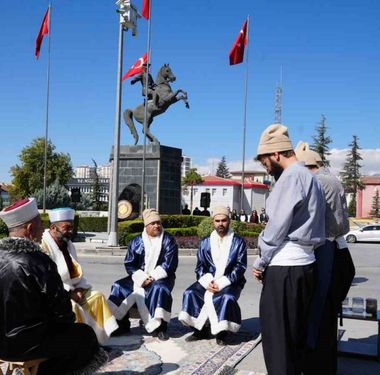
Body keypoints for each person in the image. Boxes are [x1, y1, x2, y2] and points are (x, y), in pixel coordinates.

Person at [0, 198, 107, 375]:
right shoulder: (39, 262)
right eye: (40, 224)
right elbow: (63, 314)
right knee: (85, 336)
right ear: (30, 229)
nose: (43, 229)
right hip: (24, 345)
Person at [252, 124, 326, 375]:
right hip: (305, 265)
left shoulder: (291, 177)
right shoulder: (310, 177)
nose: (265, 168)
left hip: (285, 267)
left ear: (275, 154)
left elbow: (277, 226)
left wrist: (261, 261)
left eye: (265, 163)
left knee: (278, 343)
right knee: (295, 339)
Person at [295, 142, 353, 375]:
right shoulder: (332, 179)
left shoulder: (318, 181)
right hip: (334, 247)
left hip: (323, 247)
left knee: (315, 308)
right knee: (325, 312)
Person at [40, 207, 118, 345]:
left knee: (98, 297)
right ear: (53, 227)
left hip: (74, 290)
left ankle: (98, 341)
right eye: (67, 228)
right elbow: (48, 279)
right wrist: (69, 293)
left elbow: (75, 273)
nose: (70, 231)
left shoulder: (68, 244)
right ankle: (81, 345)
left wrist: (80, 288)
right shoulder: (43, 246)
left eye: (72, 227)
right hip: (56, 296)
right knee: (73, 308)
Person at [179, 206, 248, 346]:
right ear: (213, 222)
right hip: (209, 281)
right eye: (217, 221)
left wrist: (222, 282)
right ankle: (200, 330)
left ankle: (222, 332)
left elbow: (240, 267)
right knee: (190, 293)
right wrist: (208, 282)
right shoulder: (205, 242)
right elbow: (200, 267)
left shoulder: (238, 242)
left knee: (226, 297)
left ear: (229, 221)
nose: (220, 223)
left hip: (231, 281)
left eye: (223, 220)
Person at [108, 208, 179, 340]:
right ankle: (121, 324)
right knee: (118, 286)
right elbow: (129, 263)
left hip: (161, 277)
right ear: (146, 226)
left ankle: (160, 327)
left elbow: (169, 264)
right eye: (153, 223)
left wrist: (152, 277)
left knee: (159, 289)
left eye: (158, 223)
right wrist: (141, 278)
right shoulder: (136, 241)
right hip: (139, 276)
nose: (156, 226)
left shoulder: (168, 240)